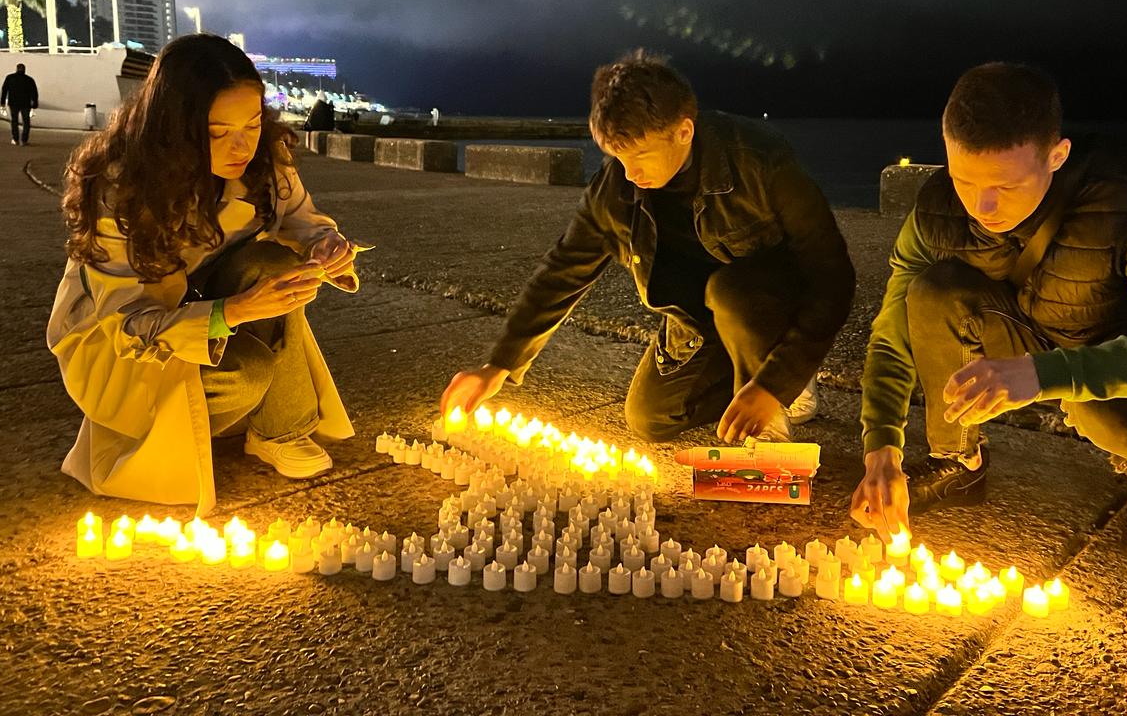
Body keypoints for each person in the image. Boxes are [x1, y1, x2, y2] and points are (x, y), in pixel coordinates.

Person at [849, 62, 1127, 565]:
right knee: (930, 292)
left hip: (1112, 349)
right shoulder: (937, 208)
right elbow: (892, 332)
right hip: (1025, 326)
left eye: (1007, 186)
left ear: (1057, 156)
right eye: (965, 179)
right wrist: (882, 447)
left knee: (1110, 411)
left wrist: (1046, 373)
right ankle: (959, 461)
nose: (982, 206)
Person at [439, 50, 855, 444]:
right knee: (651, 418)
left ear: (683, 132)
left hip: (764, 305)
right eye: (618, 157)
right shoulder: (615, 189)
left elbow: (832, 275)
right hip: (696, 325)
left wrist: (774, 383)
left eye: (640, 154)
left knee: (729, 293)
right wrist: (500, 364)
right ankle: (748, 382)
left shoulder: (759, 161)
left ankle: (784, 379)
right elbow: (562, 271)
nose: (630, 173)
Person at [47, 34, 363, 516]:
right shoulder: (120, 188)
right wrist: (232, 312)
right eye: (218, 133)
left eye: (253, 124)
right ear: (175, 129)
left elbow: (302, 218)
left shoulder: (265, 158)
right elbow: (126, 322)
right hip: (125, 339)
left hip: (202, 295)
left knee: (275, 264)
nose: (242, 146)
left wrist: (324, 244)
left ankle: (280, 429)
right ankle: (191, 416)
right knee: (245, 375)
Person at [1, 62, 38, 145]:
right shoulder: (29, 79)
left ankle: (15, 139)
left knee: (14, 121)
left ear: (16, 69)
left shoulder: (10, 78)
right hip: (25, 104)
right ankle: (24, 140)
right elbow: (34, 92)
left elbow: (4, 90)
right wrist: (35, 103)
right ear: (24, 70)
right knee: (26, 122)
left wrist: (2, 102)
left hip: (13, 103)